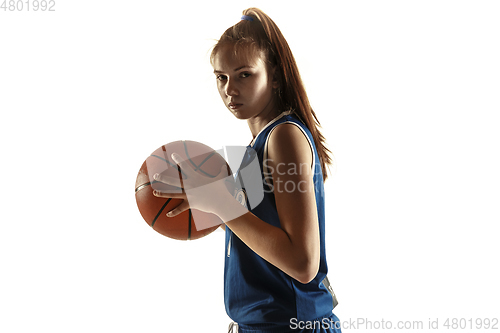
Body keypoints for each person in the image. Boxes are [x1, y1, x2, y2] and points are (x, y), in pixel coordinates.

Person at [153, 8, 341, 333]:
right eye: (220, 77)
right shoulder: (255, 145)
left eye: (244, 74)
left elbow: (303, 263)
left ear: (276, 75)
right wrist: (201, 199)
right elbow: (257, 236)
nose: (229, 89)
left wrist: (221, 205)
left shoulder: (284, 136)